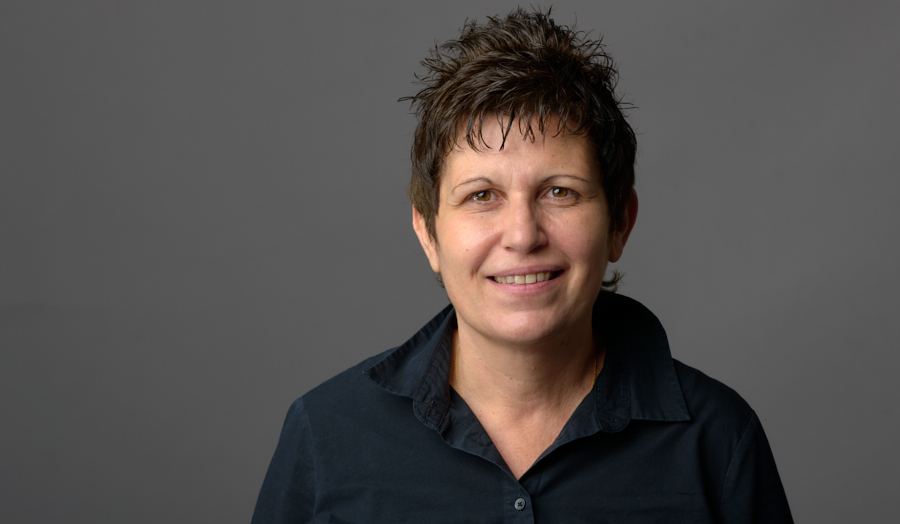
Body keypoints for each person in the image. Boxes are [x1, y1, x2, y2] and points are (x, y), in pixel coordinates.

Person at [251, 8, 793, 523]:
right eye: (482, 195)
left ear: (619, 223)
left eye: (560, 191)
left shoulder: (719, 440)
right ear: (428, 232)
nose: (522, 235)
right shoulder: (326, 437)